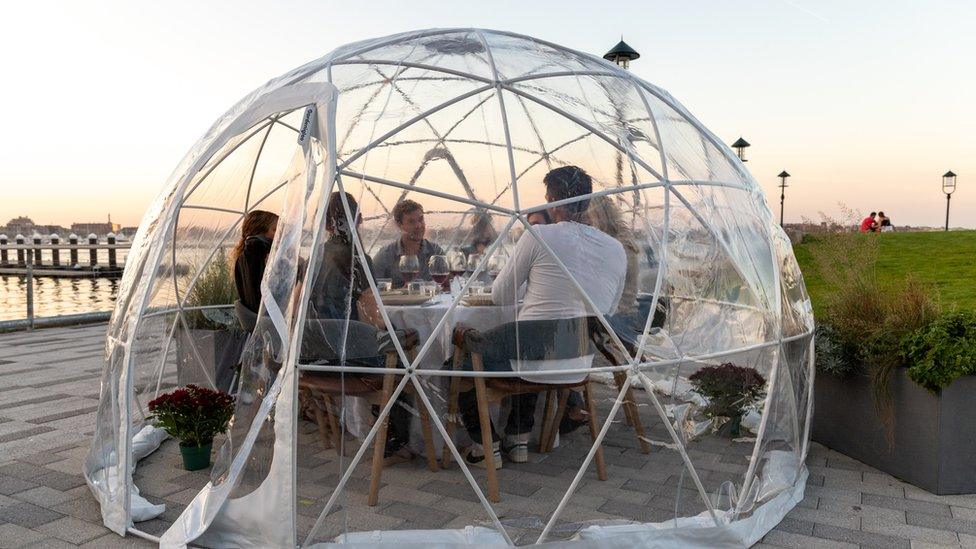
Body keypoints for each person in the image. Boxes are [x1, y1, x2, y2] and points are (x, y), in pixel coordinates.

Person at [458, 166, 627, 468]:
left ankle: (485, 447)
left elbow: (501, 296)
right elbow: (608, 308)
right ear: (587, 202)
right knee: (526, 342)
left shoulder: (539, 237)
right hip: (578, 361)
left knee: (461, 360)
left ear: (553, 201)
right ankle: (518, 438)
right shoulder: (615, 249)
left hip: (534, 360)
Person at [310, 192, 382, 327]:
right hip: (351, 338)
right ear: (359, 219)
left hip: (315, 338)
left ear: (325, 225)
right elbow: (370, 319)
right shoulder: (360, 261)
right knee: (411, 335)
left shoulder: (314, 256)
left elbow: (297, 302)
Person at [373, 199, 445, 287]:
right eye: (411, 222)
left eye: (420, 220)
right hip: (397, 301)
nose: (418, 226)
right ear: (399, 224)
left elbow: (446, 286)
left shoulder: (435, 251)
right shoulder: (385, 256)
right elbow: (373, 291)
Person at [232, 210, 279, 313]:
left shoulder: (245, 254)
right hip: (268, 316)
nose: (279, 235)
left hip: (254, 315)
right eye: (275, 230)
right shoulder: (259, 252)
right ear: (259, 232)